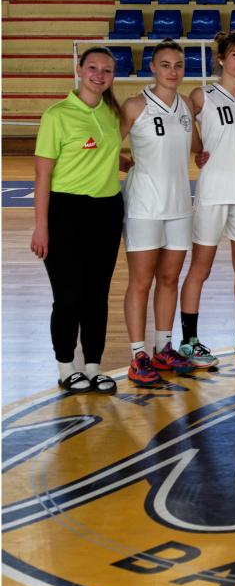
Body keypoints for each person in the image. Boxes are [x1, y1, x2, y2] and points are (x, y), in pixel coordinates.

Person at [30, 46, 124, 394]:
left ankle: (94, 366)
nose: (99, 75)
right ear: (79, 70)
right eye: (93, 68)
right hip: (66, 212)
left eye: (107, 70)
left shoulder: (112, 114)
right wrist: (41, 227)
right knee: (70, 295)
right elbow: (42, 176)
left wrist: (121, 162)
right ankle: (66, 366)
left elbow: (101, 149)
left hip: (107, 211)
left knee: (97, 294)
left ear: (113, 76)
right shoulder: (57, 115)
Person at [179, 30, 235, 361]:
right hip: (214, 193)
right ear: (220, 59)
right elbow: (181, 120)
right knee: (201, 268)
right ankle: (189, 339)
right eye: (234, 55)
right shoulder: (202, 95)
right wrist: (197, 148)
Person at [120, 40, 203, 384]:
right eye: (166, 65)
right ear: (152, 67)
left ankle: (163, 348)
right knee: (141, 282)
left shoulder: (186, 105)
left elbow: (196, 145)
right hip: (144, 206)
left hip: (180, 206)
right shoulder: (135, 105)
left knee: (169, 279)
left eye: (178, 65)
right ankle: (137, 355)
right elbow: (107, 144)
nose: (173, 71)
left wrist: (205, 154)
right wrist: (123, 161)